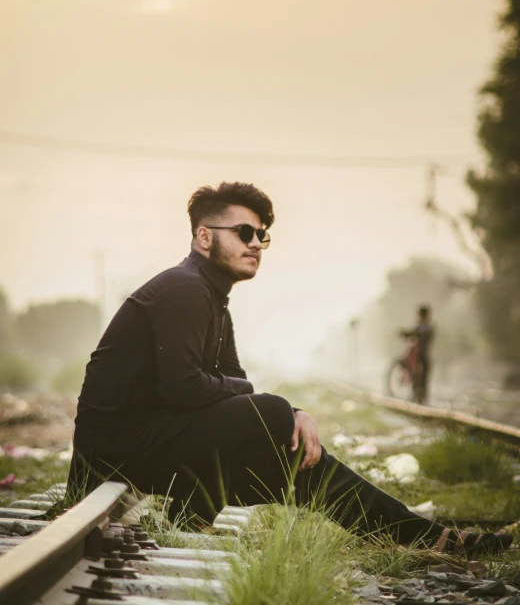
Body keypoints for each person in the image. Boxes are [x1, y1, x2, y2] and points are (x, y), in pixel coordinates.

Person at [68, 182, 511, 556]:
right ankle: (190, 514)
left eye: (261, 235)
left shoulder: (213, 301)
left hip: (157, 442)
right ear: (204, 237)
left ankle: (431, 539)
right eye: (244, 232)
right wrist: (277, 407)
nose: (256, 244)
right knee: (273, 412)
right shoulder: (184, 290)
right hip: (117, 449)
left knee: (299, 463)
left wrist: (296, 413)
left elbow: (227, 390)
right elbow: (186, 389)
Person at [400, 305, 435, 404]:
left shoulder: (427, 326)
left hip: (423, 353)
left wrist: (411, 334)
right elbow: (413, 333)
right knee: (415, 373)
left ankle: (422, 396)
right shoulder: (419, 325)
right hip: (417, 354)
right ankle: (416, 394)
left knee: (423, 376)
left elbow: (420, 334)